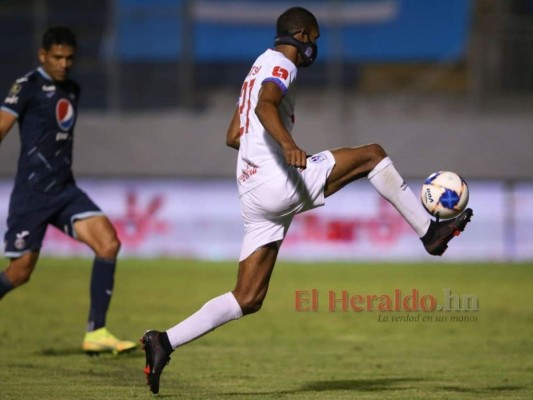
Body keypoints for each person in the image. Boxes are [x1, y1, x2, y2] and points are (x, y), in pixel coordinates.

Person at [140, 7, 473, 394]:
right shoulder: (283, 64)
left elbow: (234, 134)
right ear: (300, 34)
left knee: (247, 297)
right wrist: (288, 145)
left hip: (250, 191)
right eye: (313, 38)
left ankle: (163, 341)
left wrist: (263, 149)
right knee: (372, 155)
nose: (314, 46)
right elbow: (266, 105)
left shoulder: (256, 66)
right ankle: (429, 233)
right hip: (275, 180)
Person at [0, 26, 136, 355]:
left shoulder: (71, 88)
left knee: (108, 243)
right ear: (43, 55)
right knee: (19, 273)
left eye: (69, 58)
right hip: (32, 195)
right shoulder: (26, 87)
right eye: (57, 57)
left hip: (64, 191)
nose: (63, 64)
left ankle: (96, 332)